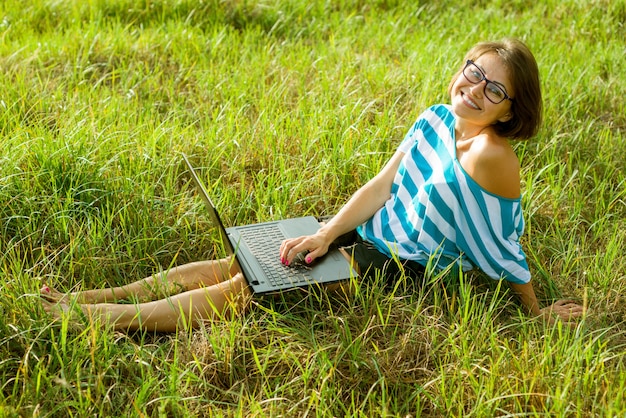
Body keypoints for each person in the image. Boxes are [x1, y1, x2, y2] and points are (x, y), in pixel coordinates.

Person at [41, 38, 584, 332]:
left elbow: (499, 242)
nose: (475, 88)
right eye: (473, 70)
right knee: (243, 260)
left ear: (512, 109)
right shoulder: (436, 118)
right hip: (370, 237)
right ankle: (95, 296)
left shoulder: (493, 155)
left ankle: (97, 319)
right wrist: (326, 233)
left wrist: (535, 312)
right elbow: (381, 187)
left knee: (246, 291)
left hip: (402, 269)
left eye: (495, 89)